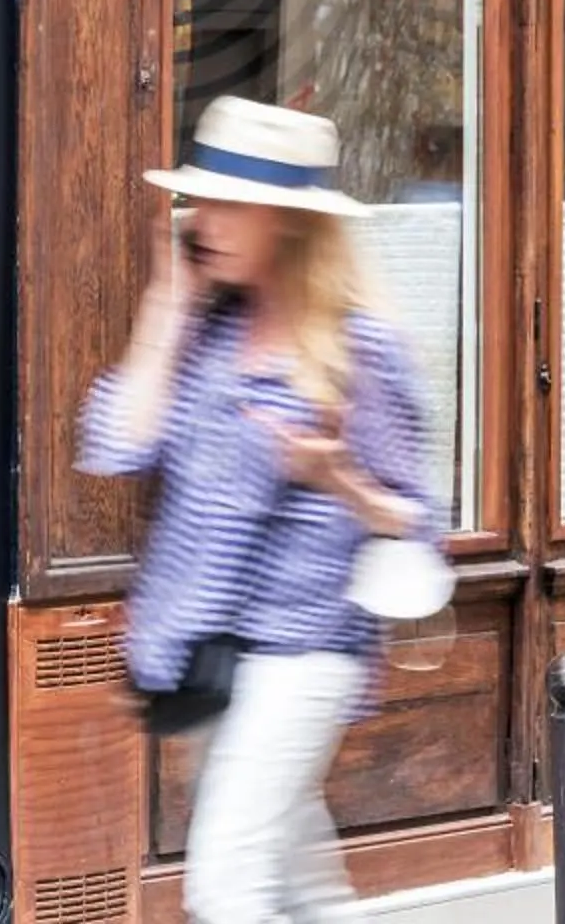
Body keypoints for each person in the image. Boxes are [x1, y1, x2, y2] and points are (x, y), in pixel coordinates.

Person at [79, 97, 440, 924]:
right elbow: (118, 447)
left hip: (305, 655)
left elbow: (415, 525)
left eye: (226, 204)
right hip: (210, 652)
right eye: (198, 201)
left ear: (286, 222)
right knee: (299, 890)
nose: (203, 220)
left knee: (227, 887)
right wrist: (164, 313)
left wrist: (335, 474)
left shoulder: (360, 350)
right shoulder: (208, 333)